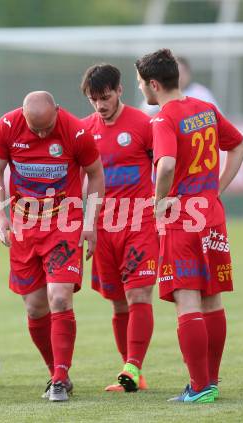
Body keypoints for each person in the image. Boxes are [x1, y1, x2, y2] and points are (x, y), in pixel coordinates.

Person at [135, 48, 243, 403]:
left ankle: (199, 387)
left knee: (188, 300)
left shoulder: (163, 119)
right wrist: (216, 189)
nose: (141, 90)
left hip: (183, 219)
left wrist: (158, 203)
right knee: (212, 300)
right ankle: (209, 382)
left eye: (141, 84)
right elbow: (240, 146)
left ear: (154, 84)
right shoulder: (206, 110)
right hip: (211, 215)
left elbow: (165, 165)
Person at [0, 91, 104, 402]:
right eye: (34, 129)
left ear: (57, 112)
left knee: (60, 298)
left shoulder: (76, 131)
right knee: (35, 306)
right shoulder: (7, 126)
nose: (40, 134)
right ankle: (56, 371)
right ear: (23, 116)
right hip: (24, 227)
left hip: (65, 224)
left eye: (46, 128)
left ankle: (60, 377)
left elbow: (95, 175)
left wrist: (90, 224)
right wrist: (0, 216)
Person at [80, 64, 157, 392]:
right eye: (93, 99)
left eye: (105, 97)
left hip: (141, 222)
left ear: (120, 90)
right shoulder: (83, 131)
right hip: (103, 227)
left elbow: (165, 164)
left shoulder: (144, 124)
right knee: (117, 302)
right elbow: (78, 181)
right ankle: (132, 375)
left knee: (138, 292)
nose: (100, 105)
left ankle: (133, 365)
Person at [141, 56, 218, 116]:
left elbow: (216, 116)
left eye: (182, 72)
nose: (179, 77)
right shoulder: (159, 92)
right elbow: (145, 115)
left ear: (189, 74)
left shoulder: (201, 93)